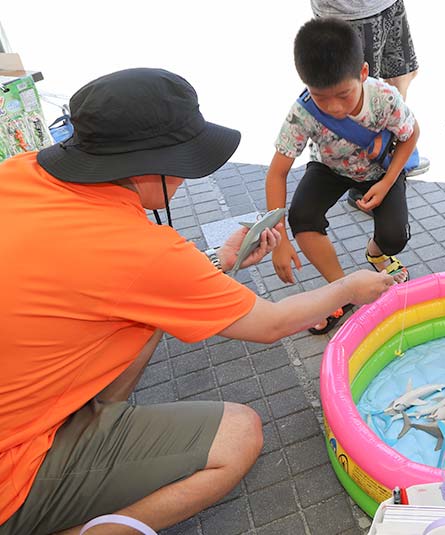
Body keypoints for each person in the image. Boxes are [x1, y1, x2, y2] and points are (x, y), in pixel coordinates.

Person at [0, 68, 396, 535]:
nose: (187, 177)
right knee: (239, 435)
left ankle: (93, 428)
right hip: (12, 470)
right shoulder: (138, 252)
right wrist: (350, 288)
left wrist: (217, 262)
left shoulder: (20, 171)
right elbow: (269, 325)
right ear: (148, 166)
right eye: (183, 162)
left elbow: (127, 281)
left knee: (141, 321)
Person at [266, 17, 418, 334]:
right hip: (330, 168)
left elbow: (411, 134)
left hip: (380, 169)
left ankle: (375, 254)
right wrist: (277, 236)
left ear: (363, 73)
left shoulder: (384, 98)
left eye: (344, 95)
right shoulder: (303, 112)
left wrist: (386, 182)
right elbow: (277, 173)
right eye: (322, 98)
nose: (334, 108)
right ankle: (343, 289)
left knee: (395, 238)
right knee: (302, 216)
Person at [309, 0, 430, 213]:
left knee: (402, 75)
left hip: (386, 4)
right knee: (357, 94)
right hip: (348, 12)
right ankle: (362, 183)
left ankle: (391, 156)